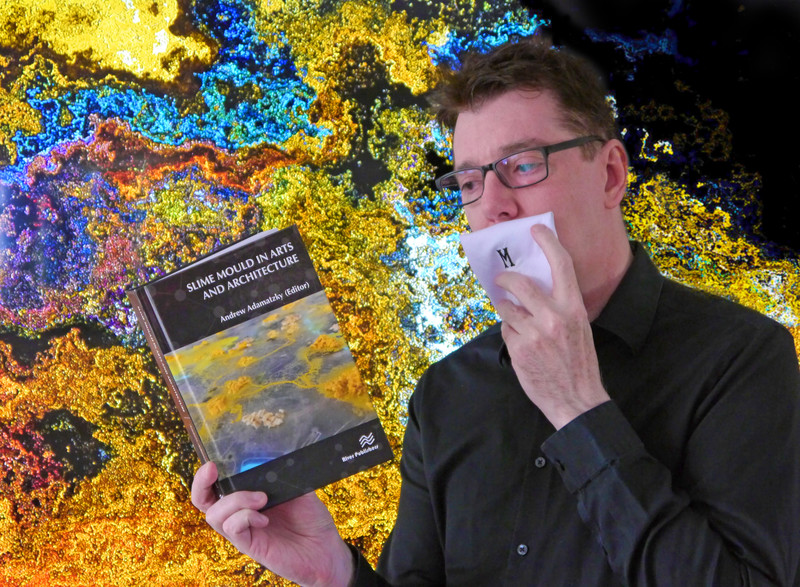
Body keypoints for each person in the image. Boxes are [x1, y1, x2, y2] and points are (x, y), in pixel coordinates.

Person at [191, 36, 800, 586]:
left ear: (611, 174)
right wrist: (335, 574)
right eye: (469, 182)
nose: (494, 206)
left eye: (524, 165)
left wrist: (578, 408)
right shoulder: (445, 394)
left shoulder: (743, 359)